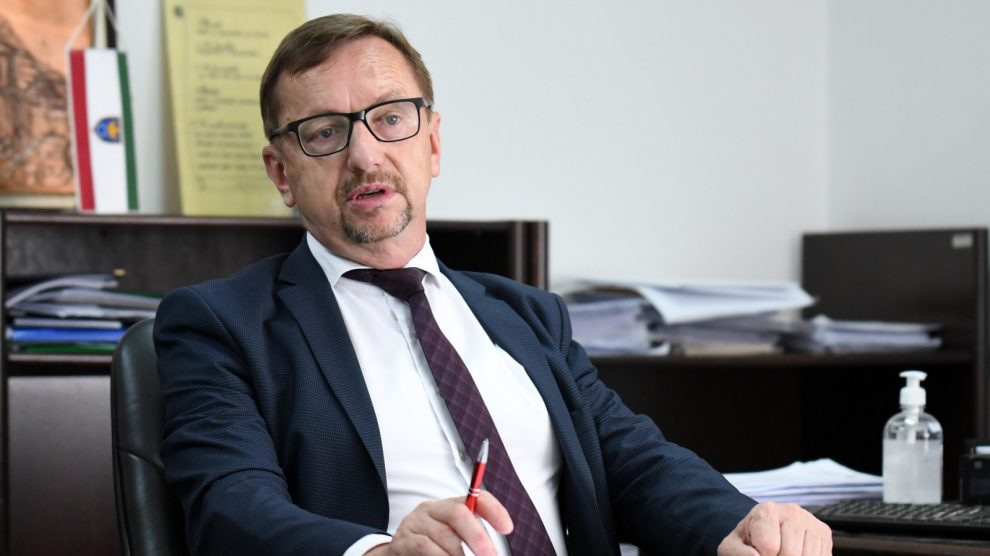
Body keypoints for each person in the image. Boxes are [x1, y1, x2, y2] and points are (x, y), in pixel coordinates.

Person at [154, 13, 832, 556]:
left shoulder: (525, 315)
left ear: (433, 143)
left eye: (390, 118)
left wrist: (737, 524)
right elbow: (229, 506)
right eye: (324, 132)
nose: (365, 155)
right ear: (281, 173)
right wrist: (380, 552)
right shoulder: (223, 324)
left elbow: (631, 462)